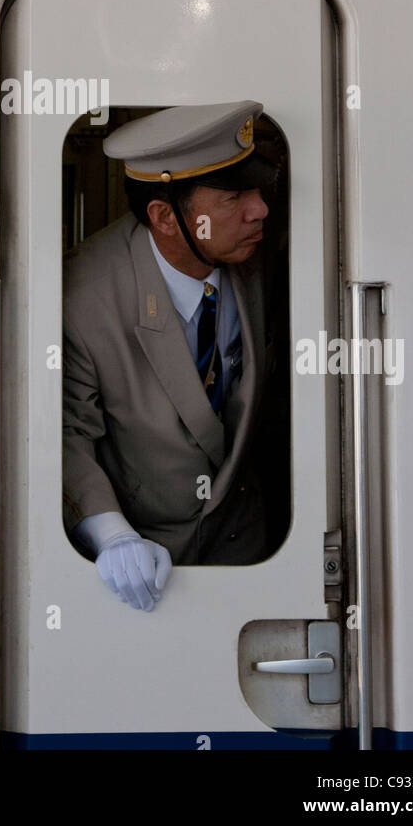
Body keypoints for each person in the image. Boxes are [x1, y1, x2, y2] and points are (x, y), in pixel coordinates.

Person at [62, 100, 277, 611]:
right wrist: (113, 536)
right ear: (164, 216)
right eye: (232, 197)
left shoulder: (259, 258)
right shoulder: (83, 296)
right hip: (153, 566)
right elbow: (69, 436)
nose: (260, 209)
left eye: (257, 189)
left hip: (253, 552)